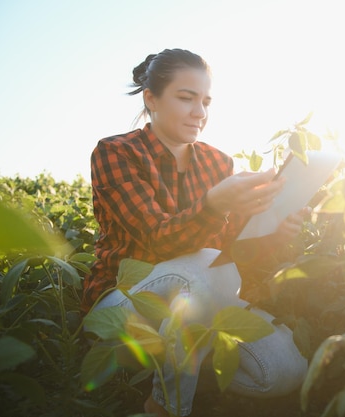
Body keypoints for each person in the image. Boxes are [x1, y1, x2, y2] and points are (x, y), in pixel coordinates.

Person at [81, 48, 308, 417]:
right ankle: (166, 405)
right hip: (127, 307)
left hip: (198, 306)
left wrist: (275, 233)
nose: (199, 113)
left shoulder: (219, 162)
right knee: (202, 268)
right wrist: (214, 204)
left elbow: (231, 253)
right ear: (151, 98)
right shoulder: (115, 152)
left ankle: (181, 367)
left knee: (285, 371)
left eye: (205, 101)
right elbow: (158, 238)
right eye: (186, 99)